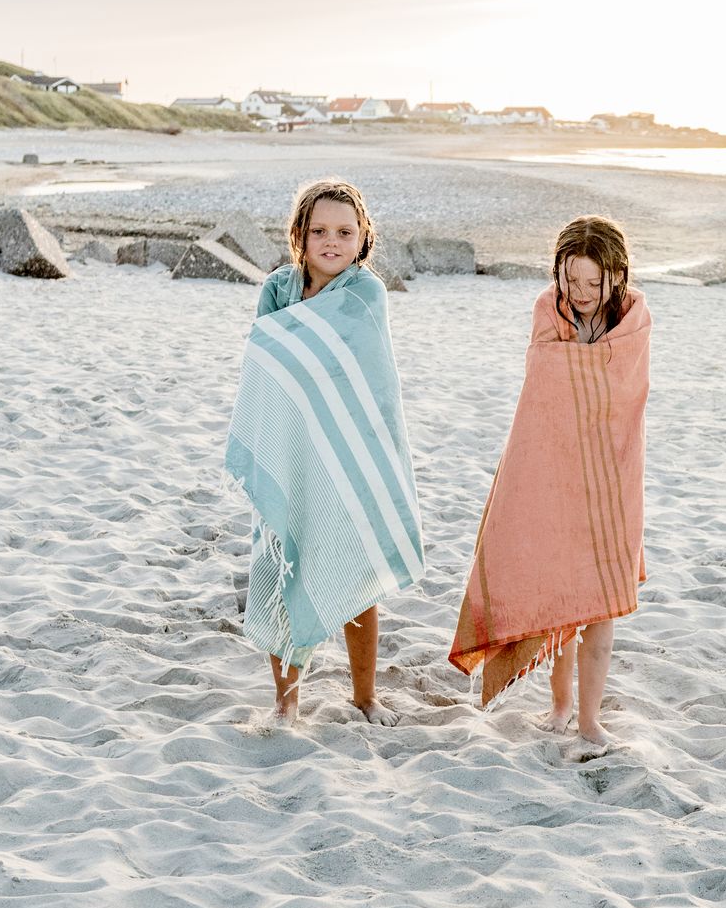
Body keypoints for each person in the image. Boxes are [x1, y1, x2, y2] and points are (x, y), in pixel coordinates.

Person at [225, 178, 424, 726]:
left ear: (363, 238)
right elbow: (267, 361)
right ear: (299, 235)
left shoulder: (366, 294)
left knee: (356, 569)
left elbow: (369, 381)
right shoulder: (277, 290)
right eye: (318, 231)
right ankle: (286, 704)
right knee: (279, 570)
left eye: (344, 231)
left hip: (349, 449)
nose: (331, 241)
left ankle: (365, 696)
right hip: (290, 446)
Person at [449, 215, 651, 749]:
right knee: (561, 594)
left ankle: (590, 719)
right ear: (556, 273)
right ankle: (560, 707)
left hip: (612, 474)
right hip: (553, 470)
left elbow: (624, 392)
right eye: (570, 279)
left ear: (618, 277)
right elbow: (547, 387)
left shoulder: (633, 318)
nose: (580, 293)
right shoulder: (549, 309)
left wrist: (585, 370)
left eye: (593, 282)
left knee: (601, 604)